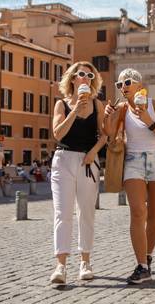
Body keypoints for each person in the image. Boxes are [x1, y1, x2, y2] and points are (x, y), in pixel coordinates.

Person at [104, 68, 155, 284]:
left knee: (154, 216)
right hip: (133, 160)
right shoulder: (123, 109)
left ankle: (147, 257)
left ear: (138, 84)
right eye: (119, 85)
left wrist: (147, 119)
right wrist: (108, 117)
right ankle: (142, 266)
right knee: (137, 212)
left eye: (126, 83)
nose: (122, 87)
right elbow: (110, 135)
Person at [49, 61, 107, 284]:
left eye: (90, 76)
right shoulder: (61, 105)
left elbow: (103, 135)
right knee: (62, 213)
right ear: (73, 78)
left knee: (86, 212)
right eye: (81, 74)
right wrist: (75, 109)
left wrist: (93, 152)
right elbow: (58, 134)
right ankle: (60, 266)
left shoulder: (97, 105)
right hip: (63, 160)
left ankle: (85, 262)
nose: (85, 78)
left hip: (87, 161)